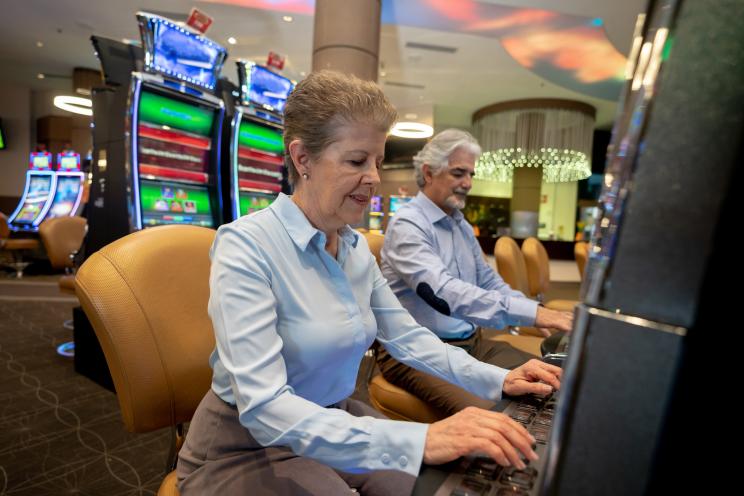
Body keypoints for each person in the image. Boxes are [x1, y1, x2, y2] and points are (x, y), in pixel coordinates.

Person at [176, 71, 563, 496]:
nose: (375, 177)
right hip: (246, 444)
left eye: (377, 162)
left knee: (445, 485)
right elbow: (265, 407)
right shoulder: (246, 245)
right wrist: (422, 438)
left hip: (335, 417)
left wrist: (497, 379)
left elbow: (409, 338)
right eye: (357, 161)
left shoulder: (355, 249)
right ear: (302, 159)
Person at [378, 129, 573, 416]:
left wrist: (533, 309)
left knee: (555, 379)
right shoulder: (408, 225)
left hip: (471, 344)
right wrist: (533, 314)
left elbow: (489, 281)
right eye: (459, 173)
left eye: (471, 174)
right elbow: (444, 294)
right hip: (417, 352)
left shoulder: (460, 224)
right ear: (429, 173)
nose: (467, 183)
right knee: (499, 417)